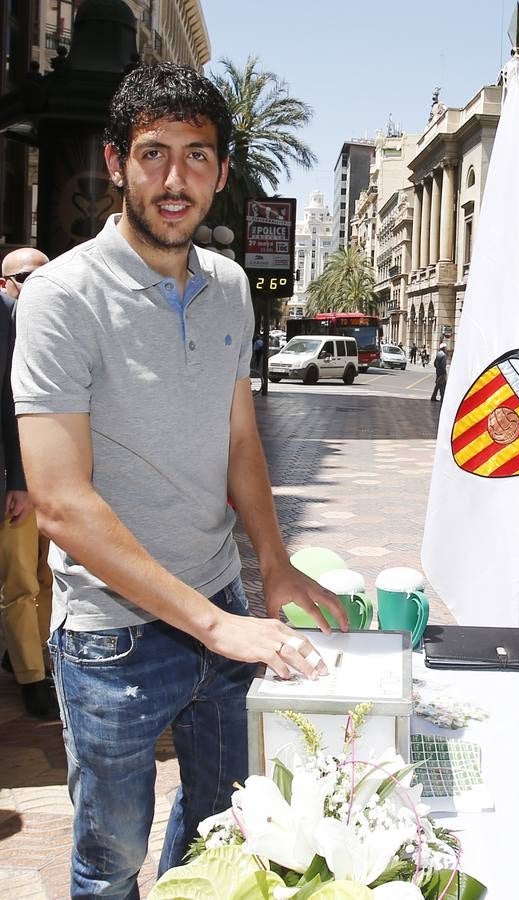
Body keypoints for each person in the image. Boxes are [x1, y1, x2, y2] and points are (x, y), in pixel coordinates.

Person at [12, 62, 347, 897]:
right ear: (117, 160)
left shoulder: (230, 286)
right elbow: (60, 501)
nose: (174, 180)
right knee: (109, 864)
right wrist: (214, 624)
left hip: (220, 609)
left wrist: (270, 564)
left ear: (223, 172)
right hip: (111, 639)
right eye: (153, 153)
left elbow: (238, 438)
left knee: (224, 831)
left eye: (196, 156)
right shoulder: (60, 296)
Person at [0, 248, 56, 718]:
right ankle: (33, 676)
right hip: (21, 485)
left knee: (48, 574)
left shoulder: (56, 323)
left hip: (55, 484)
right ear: (5, 283)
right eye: (25, 277)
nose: (37, 284)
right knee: (22, 580)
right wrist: (17, 480)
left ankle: (30, 655)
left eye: (46, 275)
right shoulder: (6, 324)